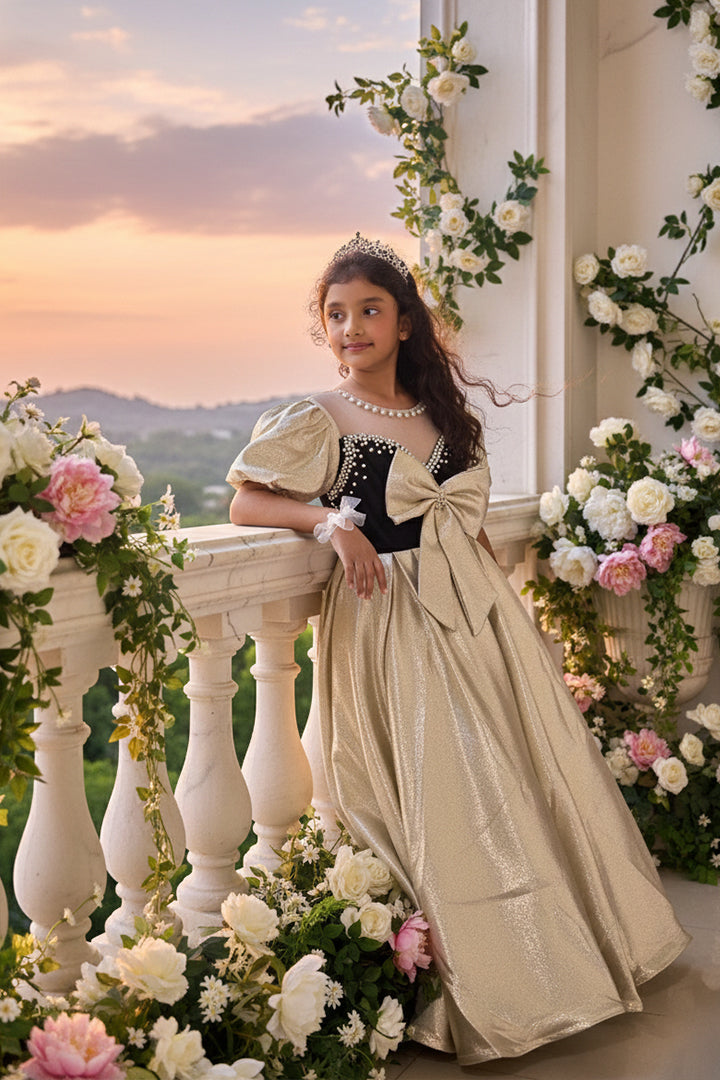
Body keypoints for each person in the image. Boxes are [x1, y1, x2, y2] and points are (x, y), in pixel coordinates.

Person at [226, 234, 689, 1066]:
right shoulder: (320, 417)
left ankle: (558, 962)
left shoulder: (442, 418)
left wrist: (523, 635)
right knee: (440, 787)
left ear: (404, 322)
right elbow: (247, 501)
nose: (351, 326)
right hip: (389, 623)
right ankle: (474, 986)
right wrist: (329, 522)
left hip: (473, 620)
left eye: (369, 309)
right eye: (335, 314)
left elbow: (467, 536)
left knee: (515, 781)